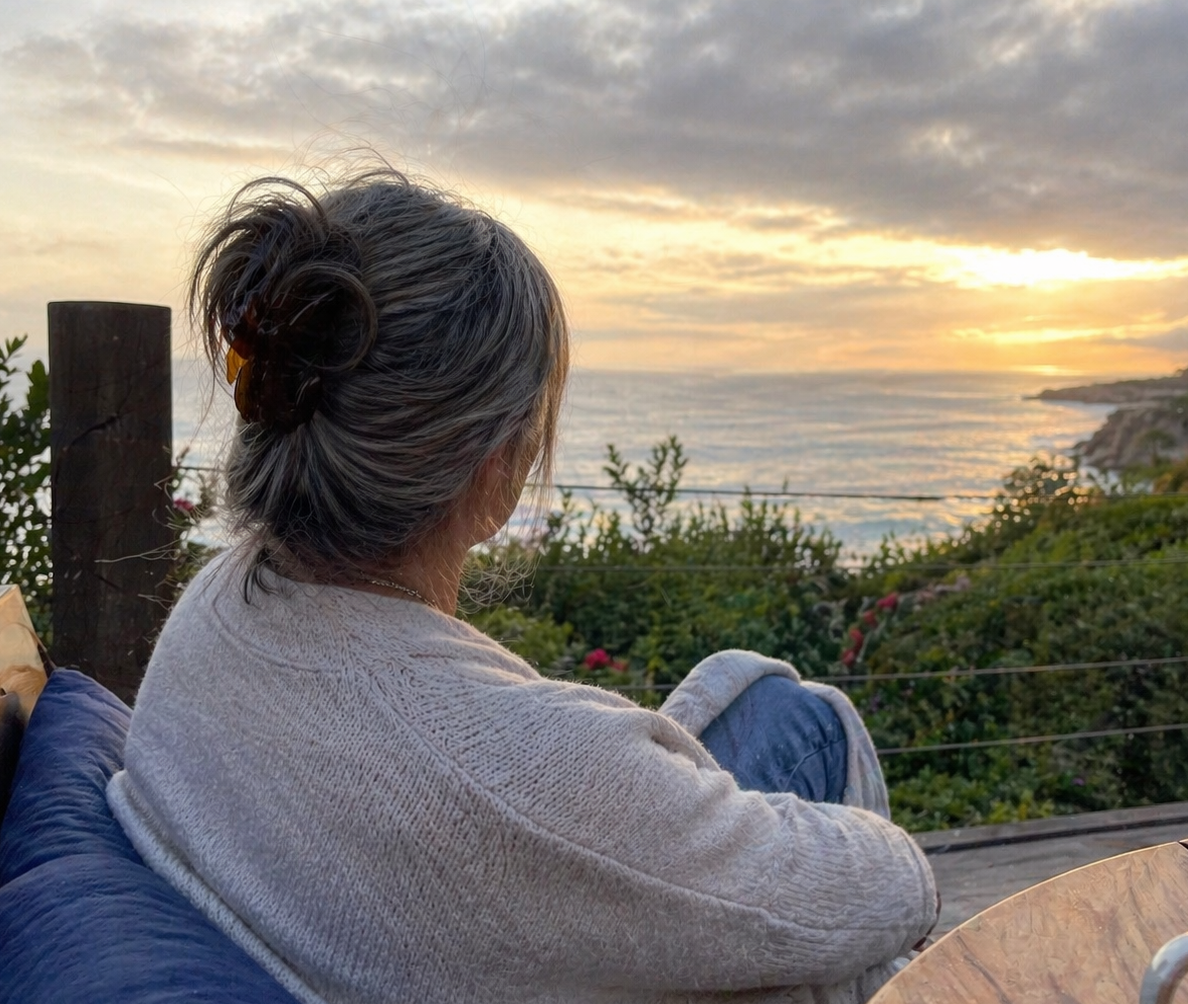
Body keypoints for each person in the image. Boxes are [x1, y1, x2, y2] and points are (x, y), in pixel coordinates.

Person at [106, 167, 937, 1004]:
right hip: (482, 876)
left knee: (764, 695)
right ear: (495, 471)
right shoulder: (525, 774)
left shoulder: (217, 606)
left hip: (391, 905)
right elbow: (894, 887)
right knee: (819, 738)